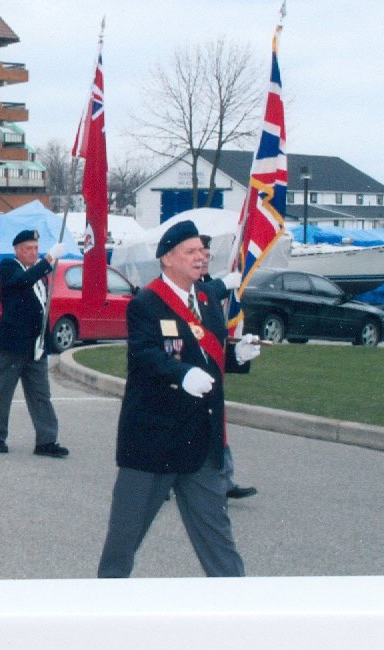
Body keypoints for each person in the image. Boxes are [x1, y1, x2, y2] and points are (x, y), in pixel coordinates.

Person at [97, 219, 260, 578]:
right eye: (191, 252)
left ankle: (240, 609)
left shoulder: (207, 298)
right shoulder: (147, 303)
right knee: (124, 541)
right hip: (154, 441)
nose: (201, 258)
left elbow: (208, 357)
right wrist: (182, 374)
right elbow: (145, 356)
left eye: (202, 251)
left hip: (200, 441)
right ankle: (104, 608)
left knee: (218, 539)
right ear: (167, 258)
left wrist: (237, 357)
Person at [0, 229, 70, 457]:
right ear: (17, 250)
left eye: (36, 248)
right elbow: (23, 281)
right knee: (4, 392)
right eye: (28, 249)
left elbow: (41, 306)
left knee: (41, 394)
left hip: (36, 345)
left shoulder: (40, 274)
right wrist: (48, 259)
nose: (33, 252)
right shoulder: (9, 267)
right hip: (12, 345)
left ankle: (46, 440)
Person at [197, 234, 257, 501]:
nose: (204, 261)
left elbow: (216, 335)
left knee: (214, 428)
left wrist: (238, 355)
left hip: (211, 371)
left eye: (208, 256)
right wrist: (222, 285)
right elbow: (194, 301)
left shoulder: (210, 286)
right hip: (187, 372)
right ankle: (159, 482)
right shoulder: (192, 288)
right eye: (198, 255)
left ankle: (223, 480)